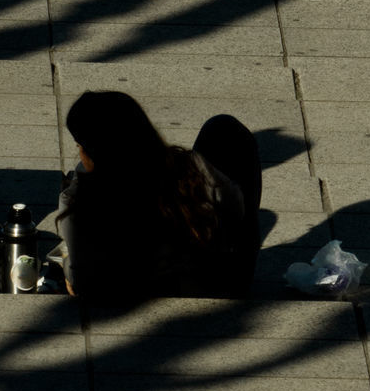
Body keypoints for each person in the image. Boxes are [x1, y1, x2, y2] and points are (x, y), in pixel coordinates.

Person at [55, 91, 262, 302]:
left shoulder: (79, 200)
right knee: (223, 129)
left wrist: (66, 267)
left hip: (127, 300)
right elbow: (236, 208)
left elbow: (83, 281)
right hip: (209, 291)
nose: (79, 153)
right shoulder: (191, 171)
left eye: (80, 146)